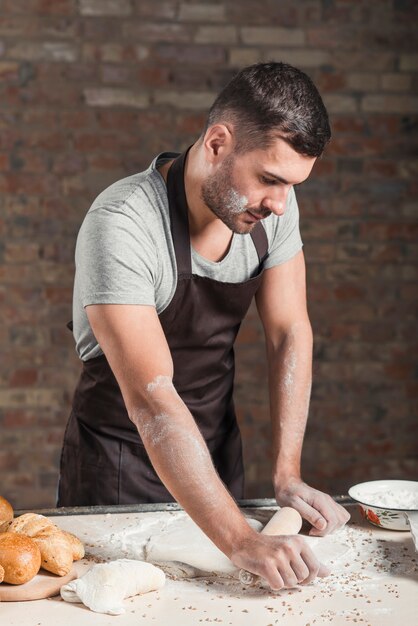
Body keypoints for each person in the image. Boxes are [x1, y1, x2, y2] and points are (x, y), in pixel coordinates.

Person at [58, 62, 350, 589]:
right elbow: (152, 397)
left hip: (215, 460)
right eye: (269, 179)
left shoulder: (274, 211)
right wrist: (240, 540)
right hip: (119, 470)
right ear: (218, 143)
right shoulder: (122, 225)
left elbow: (289, 332)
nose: (279, 204)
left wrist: (286, 473)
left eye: (292, 185)